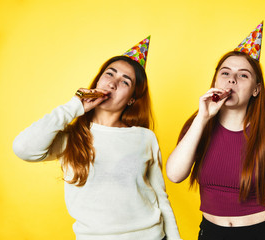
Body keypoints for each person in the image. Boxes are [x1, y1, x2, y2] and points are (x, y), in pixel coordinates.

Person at [13, 37, 181, 240]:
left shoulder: (145, 138)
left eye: (125, 81)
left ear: (131, 99)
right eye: (109, 74)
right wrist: (75, 106)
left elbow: (161, 198)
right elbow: (23, 148)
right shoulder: (70, 138)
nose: (113, 82)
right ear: (98, 80)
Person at [166, 23, 265, 239]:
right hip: (211, 232)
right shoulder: (197, 125)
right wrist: (203, 118)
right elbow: (174, 174)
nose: (232, 79)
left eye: (243, 75)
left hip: (260, 233)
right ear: (216, 80)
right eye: (225, 73)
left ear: (256, 89)